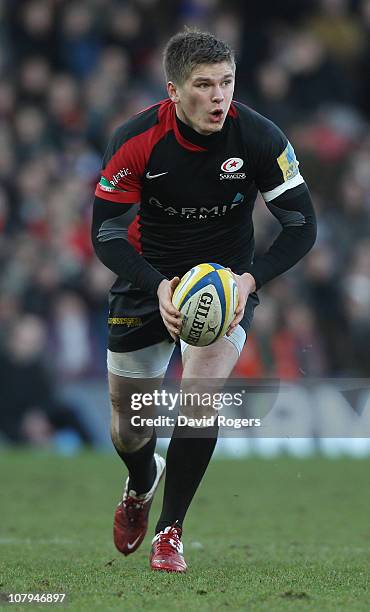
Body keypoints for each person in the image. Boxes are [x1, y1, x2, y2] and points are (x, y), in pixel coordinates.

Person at [91, 29, 316, 573]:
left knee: (199, 396)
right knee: (128, 424)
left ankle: (170, 532)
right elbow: (105, 232)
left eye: (227, 82)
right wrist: (157, 286)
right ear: (174, 90)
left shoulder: (259, 138)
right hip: (150, 284)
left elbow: (301, 225)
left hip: (223, 289)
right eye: (204, 85)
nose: (220, 96)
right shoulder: (137, 140)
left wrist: (249, 281)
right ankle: (143, 482)